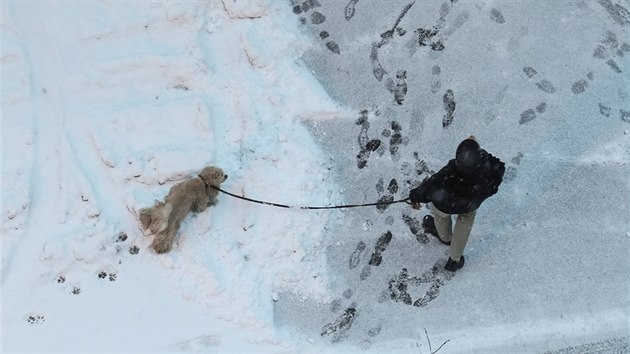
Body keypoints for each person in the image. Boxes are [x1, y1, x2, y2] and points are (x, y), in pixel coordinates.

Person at [409, 136, 505, 272]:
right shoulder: (489, 173)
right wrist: (479, 152)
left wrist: (415, 196)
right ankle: (454, 260)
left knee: (441, 217)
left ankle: (445, 237)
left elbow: (431, 185)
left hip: (444, 203)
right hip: (469, 204)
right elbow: (498, 167)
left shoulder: (451, 171)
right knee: (464, 226)